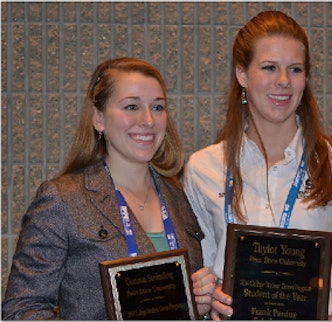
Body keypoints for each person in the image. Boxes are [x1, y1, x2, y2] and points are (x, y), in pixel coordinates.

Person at [183, 10, 332, 321]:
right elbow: (206, 271)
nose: (283, 81)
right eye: (269, 67)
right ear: (242, 74)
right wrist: (209, 295)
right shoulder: (203, 168)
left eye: (295, 69)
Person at [2, 57, 216, 320]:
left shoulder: (176, 196)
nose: (148, 120)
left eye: (158, 107)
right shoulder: (62, 199)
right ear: (99, 118)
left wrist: (199, 305)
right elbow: (21, 310)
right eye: (131, 106)